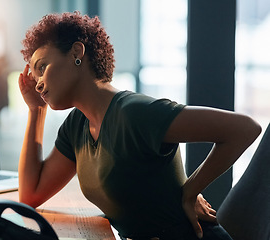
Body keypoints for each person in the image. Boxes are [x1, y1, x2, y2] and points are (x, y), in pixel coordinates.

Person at [17, 12, 261, 240]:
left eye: (42, 67)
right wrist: (37, 111)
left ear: (76, 53)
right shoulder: (77, 125)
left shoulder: (134, 113)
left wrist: (189, 191)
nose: (38, 84)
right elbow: (31, 194)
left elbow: (244, 129)